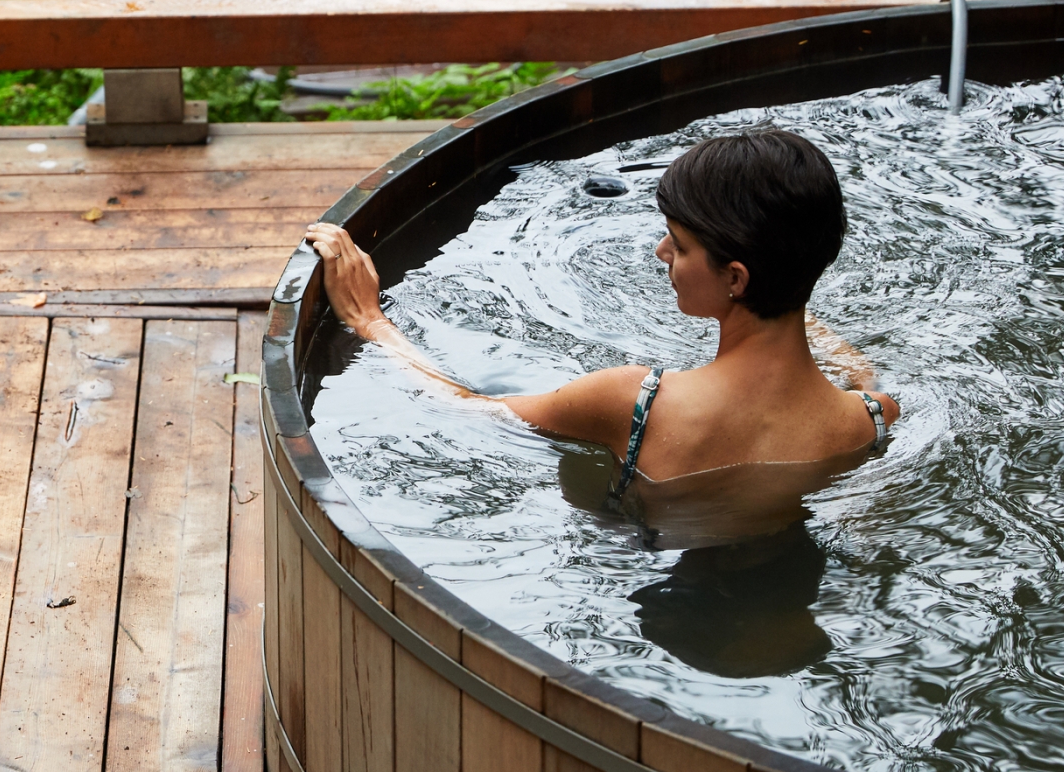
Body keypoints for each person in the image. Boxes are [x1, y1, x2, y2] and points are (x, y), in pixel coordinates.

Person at [306, 129, 900, 526]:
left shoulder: (633, 402)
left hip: (646, 566)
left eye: (683, 244)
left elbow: (465, 408)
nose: (662, 251)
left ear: (737, 279)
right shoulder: (869, 419)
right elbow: (864, 380)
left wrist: (370, 320)